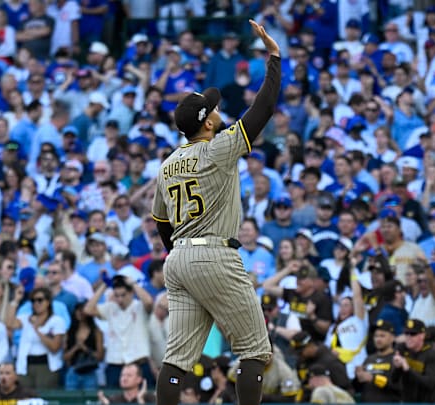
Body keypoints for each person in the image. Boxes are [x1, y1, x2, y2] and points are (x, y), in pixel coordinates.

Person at [150, 20, 281, 405]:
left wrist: (176, 251)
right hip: (214, 253)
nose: (220, 111)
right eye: (215, 109)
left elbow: (161, 222)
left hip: (179, 258)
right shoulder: (217, 148)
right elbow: (265, 107)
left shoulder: (167, 164)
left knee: (176, 362)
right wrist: (273, 58)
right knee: (255, 350)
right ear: (207, 122)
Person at [5, 287, 66, 389]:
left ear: (48, 302)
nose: (36, 303)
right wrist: (15, 300)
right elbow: (9, 324)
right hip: (25, 366)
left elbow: (55, 347)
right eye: (33, 301)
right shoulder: (26, 318)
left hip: (46, 367)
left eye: (40, 300)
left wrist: (37, 329)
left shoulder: (57, 321)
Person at [392, 318, 435, 402]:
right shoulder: (401, 348)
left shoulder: (433, 353)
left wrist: (408, 369)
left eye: (413, 334)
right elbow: (393, 380)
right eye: (406, 333)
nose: (409, 337)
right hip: (408, 401)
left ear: (422, 335)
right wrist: (397, 368)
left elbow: (429, 383)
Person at [356, 320, 400, 402]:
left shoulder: (397, 359)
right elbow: (359, 387)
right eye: (376, 336)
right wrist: (358, 376)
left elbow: (397, 386)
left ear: (392, 338)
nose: (378, 339)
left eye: (382, 336)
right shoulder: (369, 359)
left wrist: (374, 379)